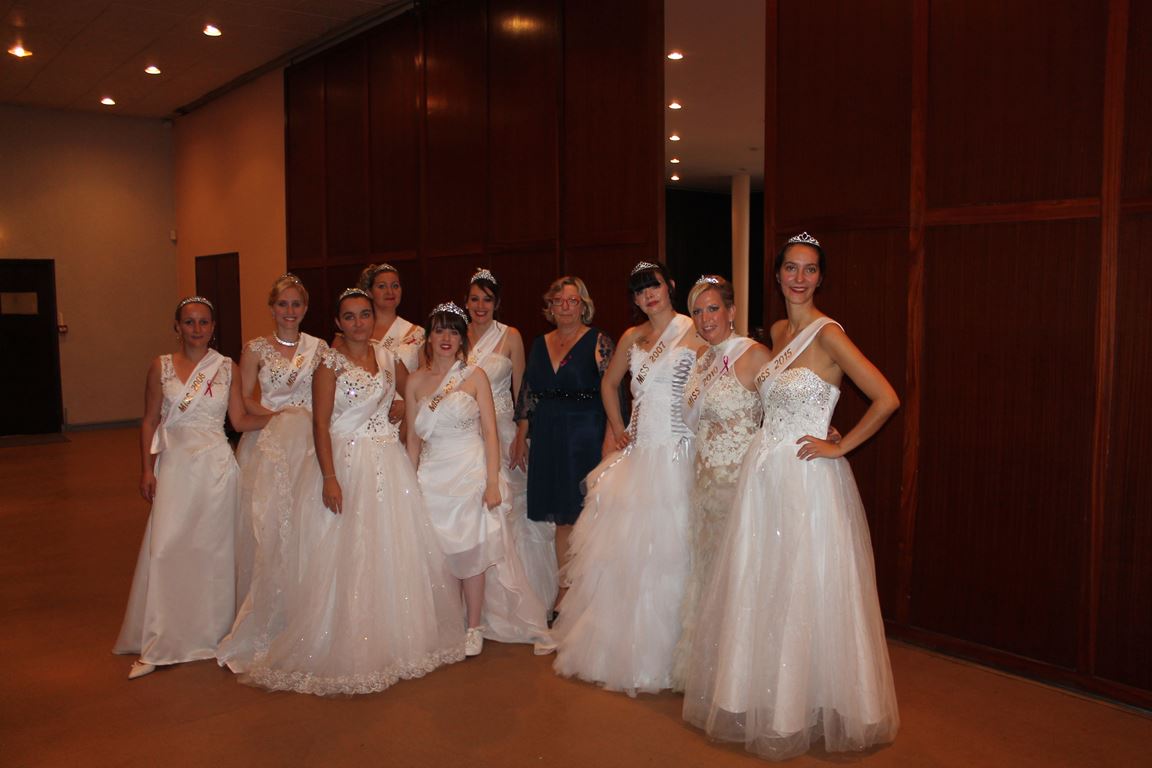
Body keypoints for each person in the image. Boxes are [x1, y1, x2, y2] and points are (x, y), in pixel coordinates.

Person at [682, 233, 900, 759]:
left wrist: (838, 444)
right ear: (778, 275)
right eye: (791, 268)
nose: (799, 278)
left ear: (820, 277)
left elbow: (886, 397)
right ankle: (760, 695)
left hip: (805, 476)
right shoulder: (779, 332)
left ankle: (800, 707)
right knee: (764, 581)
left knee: (804, 583)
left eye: (809, 269)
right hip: (763, 473)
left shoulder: (829, 334)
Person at [242, 289, 465, 695]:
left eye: (364, 314)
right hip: (346, 462)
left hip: (388, 461)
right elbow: (320, 424)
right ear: (338, 322)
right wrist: (329, 476)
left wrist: (404, 407)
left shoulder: (387, 357)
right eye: (350, 316)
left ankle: (396, 637)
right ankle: (349, 641)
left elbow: (415, 391)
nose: (359, 322)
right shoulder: (328, 363)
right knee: (348, 550)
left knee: (391, 547)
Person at [550, 262, 701, 695]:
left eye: (654, 286)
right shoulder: (633, 337)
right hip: (638, 456)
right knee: (630, 556)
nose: (648, 296)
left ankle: (676, 657)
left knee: (671, 554)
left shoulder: (694, 329)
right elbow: (610, 383)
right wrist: (618, 427)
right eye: (639, 291)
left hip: (677, 453)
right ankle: (626, 653)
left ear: (670, 286)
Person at [114, 296, 273, 680]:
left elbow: (238, 419)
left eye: (204, 322)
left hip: (216, 469)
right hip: (175, 467)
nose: (197, 329)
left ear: (213, 327)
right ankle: (160, 640)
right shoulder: (161, 367)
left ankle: (210, 634)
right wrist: (146, 469)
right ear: (177, 327)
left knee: (213, 552)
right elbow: (149, 421)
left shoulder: (226, 367)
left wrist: (284, 418)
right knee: (166, 548)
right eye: (189, 322)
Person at [406, 303, 549, 657]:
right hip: (431, 474)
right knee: (438, 551)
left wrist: (492, 482)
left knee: (470, 550)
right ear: (429, 337)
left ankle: (473, 626)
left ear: (462, 339)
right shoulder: (415, 381)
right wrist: (407, 485)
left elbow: (490, 432)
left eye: (454, 331)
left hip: (469, 470)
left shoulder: (474, 376)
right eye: (440, 330)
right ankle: (449, 622)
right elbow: (412, 439)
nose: (447, 338)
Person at [216, 274, 327, 673]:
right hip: (270, 442)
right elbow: (245, 396)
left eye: (296, 304)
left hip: (310, 445)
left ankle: (306, 614)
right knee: (269, 527)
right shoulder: (255, 349)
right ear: (272, 308)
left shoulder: (319, 348)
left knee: (306, 527)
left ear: (305, 308)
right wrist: (279, 417)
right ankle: (267, 616)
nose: (289, 311)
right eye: (283, 304)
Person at [670, 275, 768, 689]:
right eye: (697, 311)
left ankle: (741, 677)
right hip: (704, 482)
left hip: (738, 485)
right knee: (709, 573)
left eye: (713, 308)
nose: (705, 318)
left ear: (731, 311)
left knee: (738, 575)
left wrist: (822, 429)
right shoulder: (702, 359)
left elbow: (781, 409)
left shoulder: (754, 354)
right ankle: (710, 671)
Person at [512, 276, 614, 613]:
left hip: (586, 435)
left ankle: (593, 591)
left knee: (587, 515)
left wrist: (612, 436)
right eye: (559, 301)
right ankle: (564, 591)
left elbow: (613, 390)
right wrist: (521, 435)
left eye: (573, 301)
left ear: (583, 306)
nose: (566, 307)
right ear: (550, 307)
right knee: (562, 519)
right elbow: (529, 392)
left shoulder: (599, 341)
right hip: (548, 437)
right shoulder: (539, 343)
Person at [464, 269, 557, 622]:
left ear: (497, 303)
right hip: (464, 434)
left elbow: (523, 392)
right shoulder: (455, 334)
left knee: (509, 510)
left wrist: (522, 435)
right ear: (466, 303)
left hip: (503, 432)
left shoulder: (511, 335)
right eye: (475, 299)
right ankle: (477, 603)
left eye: (487, 299)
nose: (481, 306)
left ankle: (516, 600)